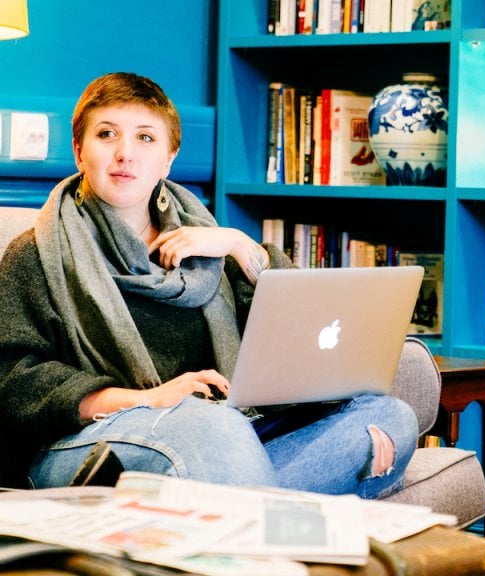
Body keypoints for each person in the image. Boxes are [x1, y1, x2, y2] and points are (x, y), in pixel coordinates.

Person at [0, 72, 418, 495]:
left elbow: (296, 329)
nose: (125, 153)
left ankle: (223, 513)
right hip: (93, 443)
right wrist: (148, 399)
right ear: (78, 151)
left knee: (389, 415)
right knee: (210, 424)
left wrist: (239, 245)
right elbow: (13, 380)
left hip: (230, 434)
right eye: (107, 134)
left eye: (146, 137)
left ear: (168, 158)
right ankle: (272, 524)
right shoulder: (37, 253)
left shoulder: (210, 245)